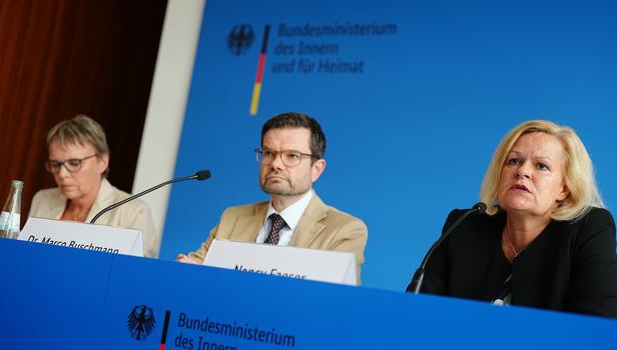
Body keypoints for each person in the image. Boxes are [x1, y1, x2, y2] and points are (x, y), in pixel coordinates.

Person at [421, 120, 617, 318]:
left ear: (564, 188)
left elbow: (599, 327)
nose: (522, 171)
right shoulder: (463, 225)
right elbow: (419, 313)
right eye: (514, 161)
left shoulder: (588, 228)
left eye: (541, 166)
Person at [178, 112, 368, 281]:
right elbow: (194, 269)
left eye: (292, 156)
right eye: (269, 153)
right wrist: (184, 270)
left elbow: (336, 302)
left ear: (316, 169)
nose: (276, 164)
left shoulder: (345, 230)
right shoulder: (233, 217)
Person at [29, 114, 160, 258]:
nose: (62, 174)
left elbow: (136, 275)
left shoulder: (133, 212)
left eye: (74, 163)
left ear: (102, 162)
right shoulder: (42, 199)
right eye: (55, 164)